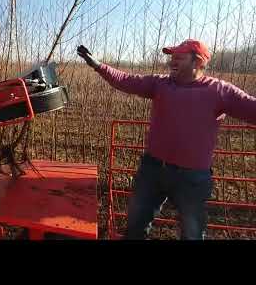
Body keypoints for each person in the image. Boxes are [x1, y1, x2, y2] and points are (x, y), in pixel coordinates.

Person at [77, 40, 256, 240]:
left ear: (197, 62)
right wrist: (98, 66)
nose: (172, 62)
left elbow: (252, 109)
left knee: (192, 234)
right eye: (172, 58)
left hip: (192, 178)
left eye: (179, 57)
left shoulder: (220, 91)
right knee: (135, 227)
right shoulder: (160, 84)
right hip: (152, 170)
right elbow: (127, 80)